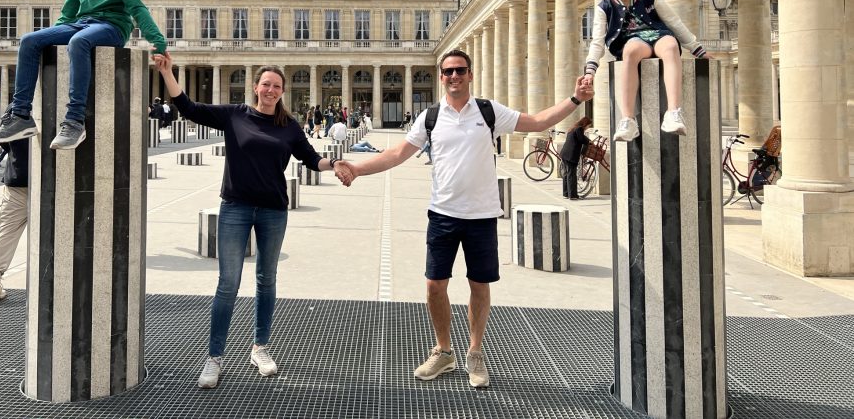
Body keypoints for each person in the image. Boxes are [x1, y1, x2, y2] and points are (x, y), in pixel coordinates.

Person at [334, 48, 593, 388]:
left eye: (460, 70)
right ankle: (443, 351)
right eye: (448, 71)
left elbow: (539, 121)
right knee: (433, 286)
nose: (454, 76)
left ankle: (475, 352)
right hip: (442, 215)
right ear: (441, 76)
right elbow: (397, 154)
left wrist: (576, 98)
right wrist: (356, 168)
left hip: (482, 216)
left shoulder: (488, 111)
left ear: (470, 74)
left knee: (478, 286)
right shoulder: (430, 117)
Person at [153, 52, 348, 389]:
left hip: (273, 210)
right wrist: (169, 74)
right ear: (256, 87)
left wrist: (338, 165)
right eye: (266, 84)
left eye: (276, 86)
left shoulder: (288, 126)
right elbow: (189, 108)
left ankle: (260, 347)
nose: (270, 90)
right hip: (236, 208)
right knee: (227, 284)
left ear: (282, 91)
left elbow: (311, 159)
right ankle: (214, 357)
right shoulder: (235, 115)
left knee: (266, 280)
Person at [0, 0, 167, 150]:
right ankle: (21, 115)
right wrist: (51, 39)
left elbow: (137, 9)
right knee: (29, 40)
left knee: (78, 42)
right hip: (81, 24)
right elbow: (67, 16)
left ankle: (74, 121)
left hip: (112, 27)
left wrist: (158, 42)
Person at [583, 0, 710, 142]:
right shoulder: (605, 6)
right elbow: (598, 41)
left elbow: (673, 21)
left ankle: (673, 112)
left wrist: (697, 49)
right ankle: (628, 119)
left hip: (657, 34)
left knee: (670, 46)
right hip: (632, 40)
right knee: (630, 52)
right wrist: (590, 71)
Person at [0, 105, 29, 301]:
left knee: (6, 230)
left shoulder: (17, 106)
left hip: (18, 178)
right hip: (54, 180)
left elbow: (4, 136)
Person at [560, 117, 592, 200]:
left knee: (566, 174)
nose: (588, 128)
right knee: (571, 175)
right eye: (588, 126)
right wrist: (589, 141)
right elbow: (581, 139)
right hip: (571, 155)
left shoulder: (573, 128)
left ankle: (566, 193)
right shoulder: (579, 129)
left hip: (565, 153)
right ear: (585, 124)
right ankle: (573, 195)